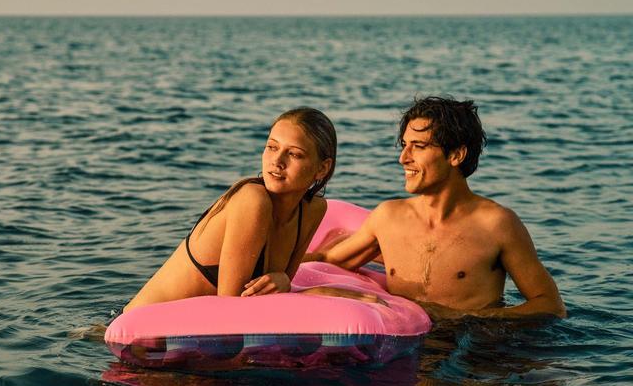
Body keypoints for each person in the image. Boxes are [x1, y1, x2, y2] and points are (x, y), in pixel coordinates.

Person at [305, 96, 566, 319]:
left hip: (473, 350)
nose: (403, 158)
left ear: (456, 155)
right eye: (404, 145)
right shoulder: (388, 218)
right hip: (406, 342)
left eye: (418, 147)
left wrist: (466, 318)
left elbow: (550, 305)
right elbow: (329, 260)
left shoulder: (496, 225)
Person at [124, 107, 336, 312]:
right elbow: (230, 310)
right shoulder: (252, 201)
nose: (277, 161)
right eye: (272, 147)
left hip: (187, 338)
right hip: (134, 341)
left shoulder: (313, 210)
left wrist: (284, 281)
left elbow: (280, 284)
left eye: (294, 154)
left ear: (322, 168)